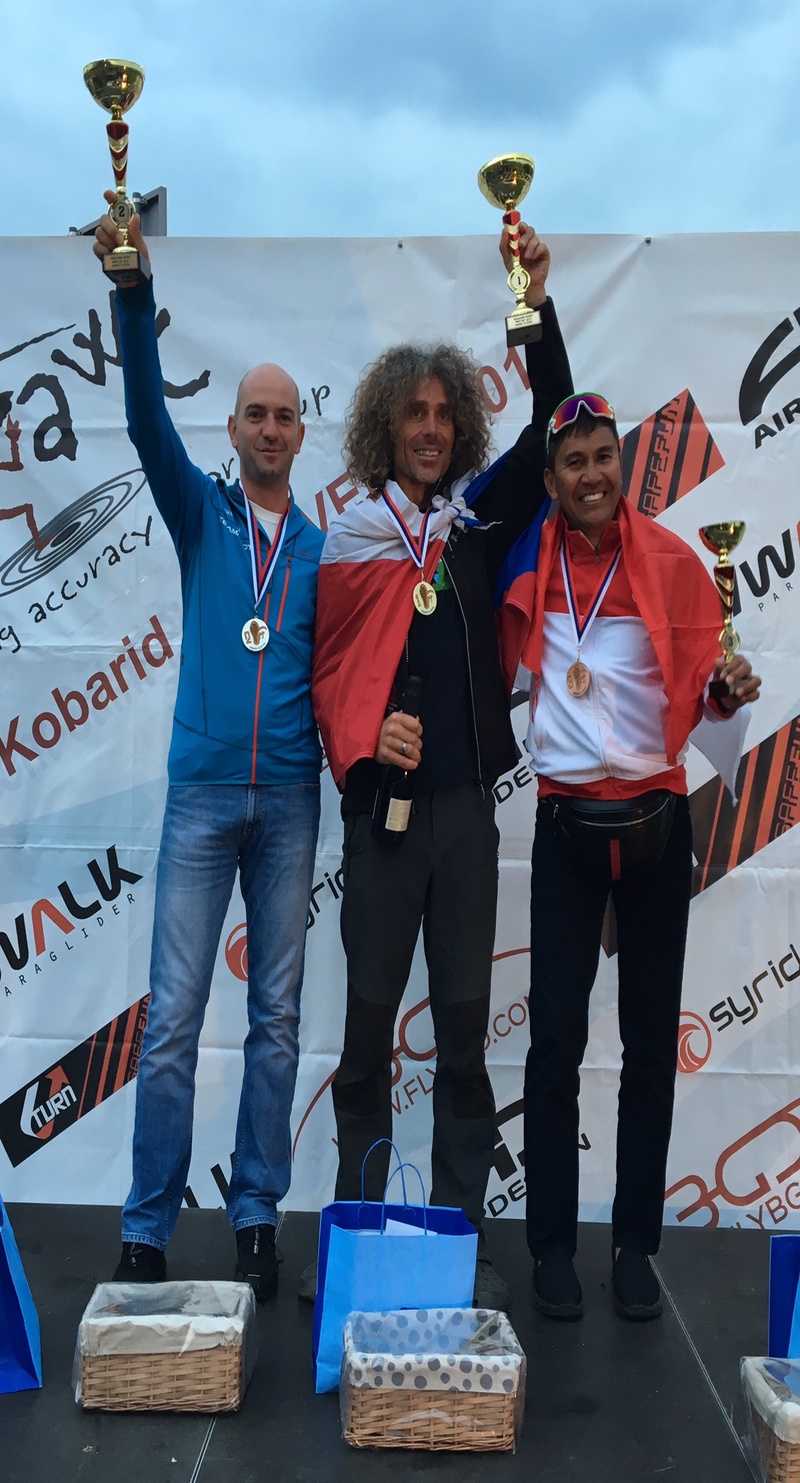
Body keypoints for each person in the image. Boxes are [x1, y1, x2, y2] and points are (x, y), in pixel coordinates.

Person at [309, 228, 572, 1310]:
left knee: (464, 1040)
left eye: (442, 413)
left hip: (465, 817)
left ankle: (458, 1242)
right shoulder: (350, 538)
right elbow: (329, 675)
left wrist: (533, 309)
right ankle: (359, 1237)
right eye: (412, 413)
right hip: (381, 822)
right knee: (365, 1039)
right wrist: (367, 738)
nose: (428, 428)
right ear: (387, 428)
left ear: (461, 425)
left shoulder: (479, 520)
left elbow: (554, 419)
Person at [93, 198, 324, 1299]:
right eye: (254, 415)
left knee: (275, 1021)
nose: (270, 429)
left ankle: (255, 1215)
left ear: (301, 434)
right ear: (232, 430)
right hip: (199, 797)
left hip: (291, 800)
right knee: (175, 1018)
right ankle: (146, 1225)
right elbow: (145, 419)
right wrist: (132, 297)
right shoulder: (200, 514)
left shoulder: (322, 548)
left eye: (285, 416)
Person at [504, 391, 761, 1321]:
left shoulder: (675, 561)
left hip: (656, 822)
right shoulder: (527, 565)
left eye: (604, 457)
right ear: (551, 481)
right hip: (565, 826)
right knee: (554, 1044)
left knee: (652, 1045)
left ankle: (636, 1244)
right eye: (574, 462)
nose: (593, 475)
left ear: (623, 464)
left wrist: (728, 693)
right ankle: (549, 1245)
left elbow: (707, 698)